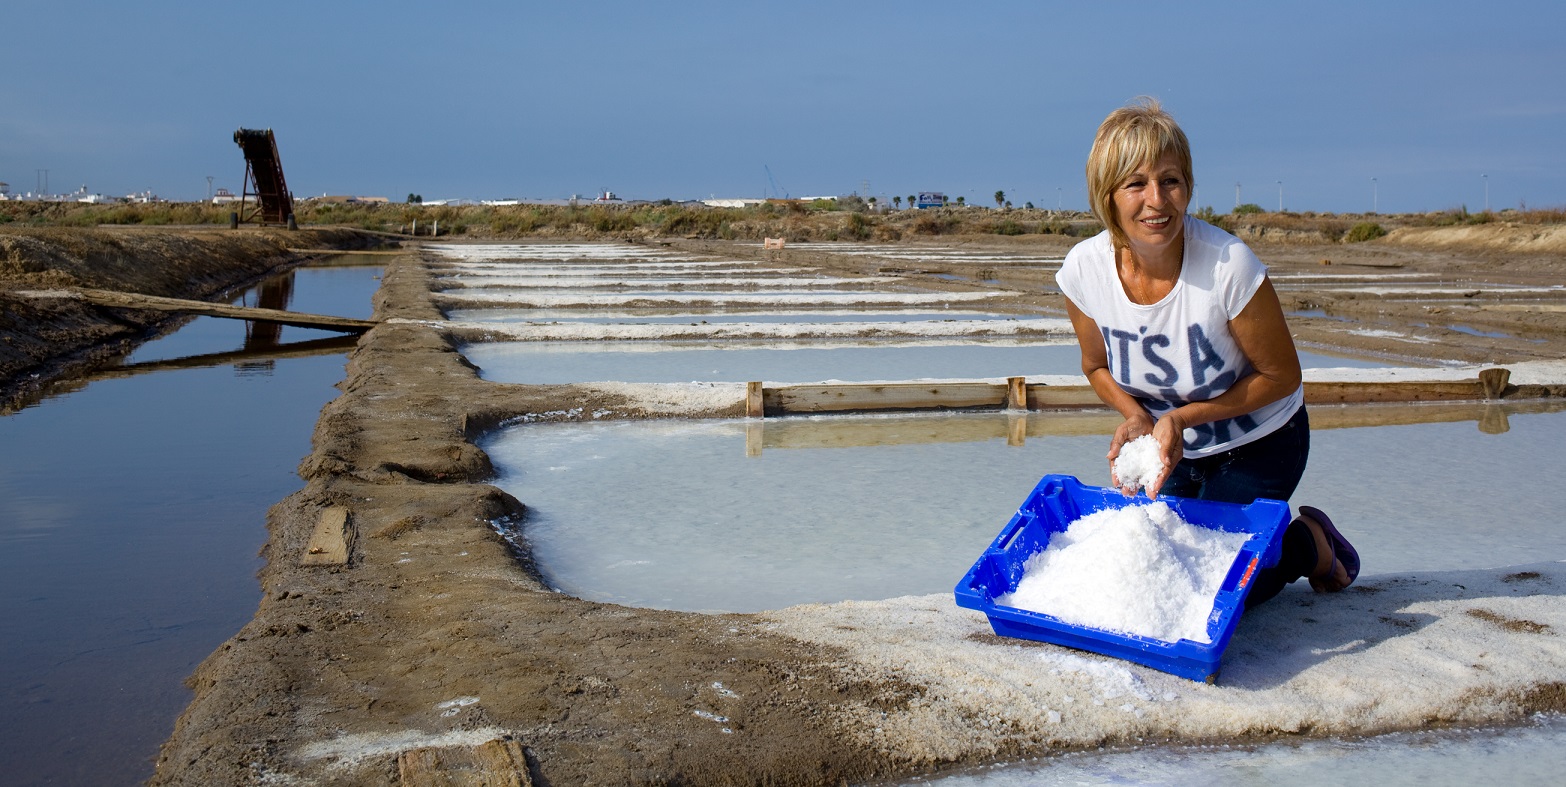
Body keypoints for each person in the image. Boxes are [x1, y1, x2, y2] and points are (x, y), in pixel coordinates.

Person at [1056, 97, 1358, 606]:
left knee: (1218, 586)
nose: (1157, 200)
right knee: (1158, 566)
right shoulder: (1084, 271)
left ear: (1188, 187)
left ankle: (1311, 545)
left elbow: (1281, 376)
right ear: (1107, 197)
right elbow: (1096, 366)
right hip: (1177, 451)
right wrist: (1136, 417)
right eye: (1136, 183)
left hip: (1263, 441)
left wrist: (1182, 416)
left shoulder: (1227, 266)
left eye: (1170, 180)